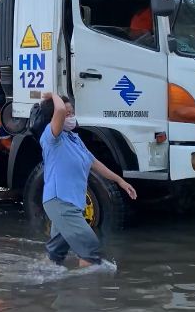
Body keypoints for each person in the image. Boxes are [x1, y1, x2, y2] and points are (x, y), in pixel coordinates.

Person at [37, 93, 137, 268]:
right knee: (90, 249)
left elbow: (94, 163)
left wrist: (120, 181)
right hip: (60, 202)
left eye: (72, 112)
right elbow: (59, 109)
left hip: (72, 203)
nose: (70, 116)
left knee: (55, 255)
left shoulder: (74, 139)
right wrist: (53, 95)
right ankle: (86, 290)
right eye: (66, 114)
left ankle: (43, 281)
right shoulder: (51, 138)